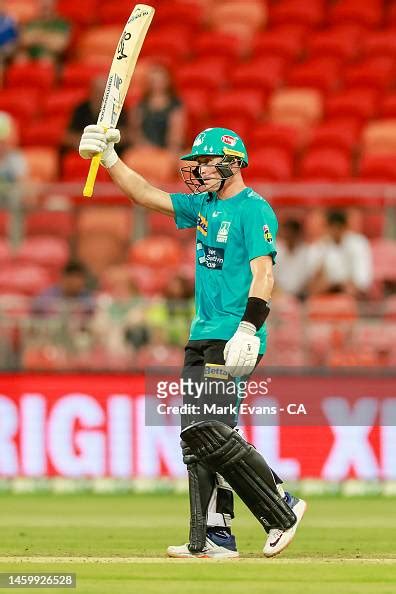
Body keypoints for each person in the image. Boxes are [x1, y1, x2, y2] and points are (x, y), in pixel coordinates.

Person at [79, 124, 306, 559]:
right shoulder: (202, 206)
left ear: (234, 163)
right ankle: (213, 538)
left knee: (209, 430)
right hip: (201, 334)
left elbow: (265, 274)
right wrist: (109, 158)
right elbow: (145, 194)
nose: (198, 169)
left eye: (206, 161)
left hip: (234, 335)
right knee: (196, 436)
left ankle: (282, 506)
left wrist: (248, 328)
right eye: (196, 162)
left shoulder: (254, 209)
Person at [307, 210, 373, 297]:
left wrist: (349, 286)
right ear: (327, 227)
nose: (335, 231)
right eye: (332, 227)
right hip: (326, 292)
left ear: (345, 227)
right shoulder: (319, 246)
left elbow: (363, 278)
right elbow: (312, 280)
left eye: (338, 227)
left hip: (352, 292)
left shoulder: (358, 243)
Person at [64, 76, 129, 154]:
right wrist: (86, 141)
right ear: (91, 92)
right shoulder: (81, 109)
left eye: (103, 92)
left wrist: (108, 139)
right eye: (97, 92)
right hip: (85, 151)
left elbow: (126, 135)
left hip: (112, 152)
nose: (100, 96)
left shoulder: (118, 109)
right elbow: (67, 136)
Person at [130, 63, 185, 153]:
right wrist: (143, 146)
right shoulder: (140, 105)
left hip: (168, 150)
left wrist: (168, 151)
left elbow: (176, 135)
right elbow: (135, 132)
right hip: (144, 149)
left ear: (167, 81)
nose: (156, 84)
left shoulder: (175, 105)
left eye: (160, 80)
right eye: (153, 81)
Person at [275, 218, 311, 299]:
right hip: (278, 296)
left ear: (297, 234)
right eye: (286, 233)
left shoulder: (306, 251)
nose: (288, 236)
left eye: (291, 233)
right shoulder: (275, 250)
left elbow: (309, 278)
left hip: (301, 295)